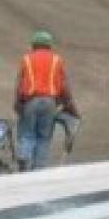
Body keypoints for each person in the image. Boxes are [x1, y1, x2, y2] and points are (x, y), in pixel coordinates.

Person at [15, 30, 79, 171]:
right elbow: (64, 86)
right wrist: (71, 106)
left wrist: (18, 103)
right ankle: (39, 168)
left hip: (30, 101)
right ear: (49, 45)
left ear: (34, 44)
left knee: (27, 133)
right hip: (50, 102)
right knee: (43, 137)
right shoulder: (57, 60)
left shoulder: (26, 59)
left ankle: (24, 157)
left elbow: (20, 83)